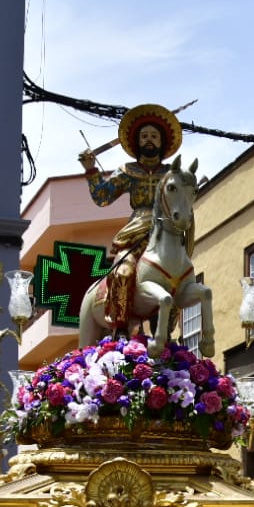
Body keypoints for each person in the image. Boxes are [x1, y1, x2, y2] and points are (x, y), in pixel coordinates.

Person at [79, 103, 187, 342]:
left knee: (179, 275)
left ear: (162, 142)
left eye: (154, 136)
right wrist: (91, 170)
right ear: (137, 142)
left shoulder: (172, 175)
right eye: (144, 136)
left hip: (165, 231)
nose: (149, 140)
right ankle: (120, 327)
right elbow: (102, 197)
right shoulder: (128, 170)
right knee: (124, 271)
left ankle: (164, 331)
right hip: (136, 230)